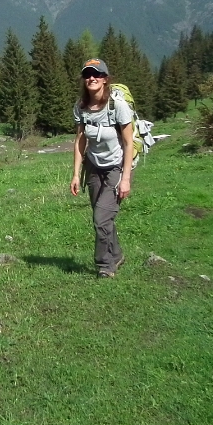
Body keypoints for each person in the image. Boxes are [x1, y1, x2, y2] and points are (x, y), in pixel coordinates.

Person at [70, 58, 135, 278]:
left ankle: (105, 265)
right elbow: (80, 141)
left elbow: (128, 142)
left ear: (105, 80)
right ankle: (116, 254)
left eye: (97, 74)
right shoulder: (81, 108)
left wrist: (126, 178)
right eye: (88, 74)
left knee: (100, 218)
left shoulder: (118, 106)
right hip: (94, 167)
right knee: (103, 217)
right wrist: (76, 175)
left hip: (116, 167)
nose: (92, 78)